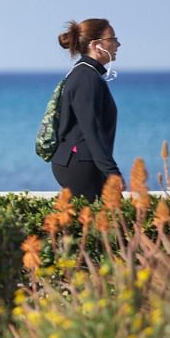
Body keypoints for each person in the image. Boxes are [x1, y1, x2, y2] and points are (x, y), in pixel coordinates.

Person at [51, 18, 124, 201]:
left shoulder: (86, 74)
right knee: (105, 224)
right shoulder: (86, 78)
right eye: (113, 39)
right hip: (79, 163)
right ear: (97, 45)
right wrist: (112, 172)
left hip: (81, 161)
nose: (118, 44)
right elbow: (91, 130)